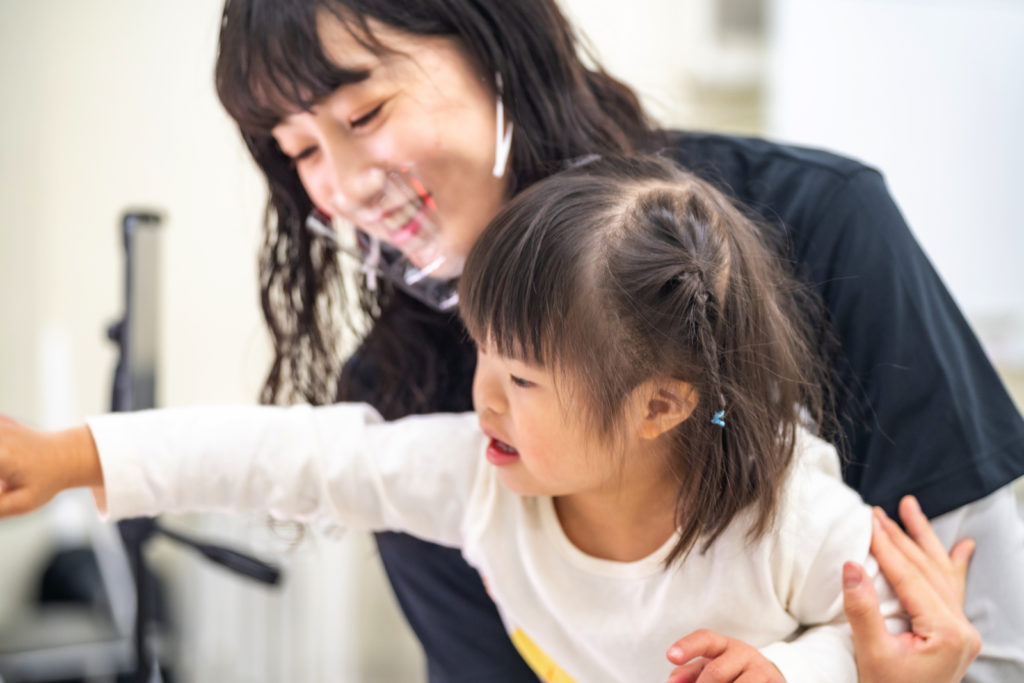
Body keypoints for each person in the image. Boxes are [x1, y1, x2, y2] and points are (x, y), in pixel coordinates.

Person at [0, 154, 921, 682]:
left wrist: (790, 671)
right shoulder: (479, 478)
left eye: (522, 378)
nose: (482, 395)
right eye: (483, 351)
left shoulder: (785, 512)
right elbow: (296, 455)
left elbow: (894, 631)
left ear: (661, 404)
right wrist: (72, 455)